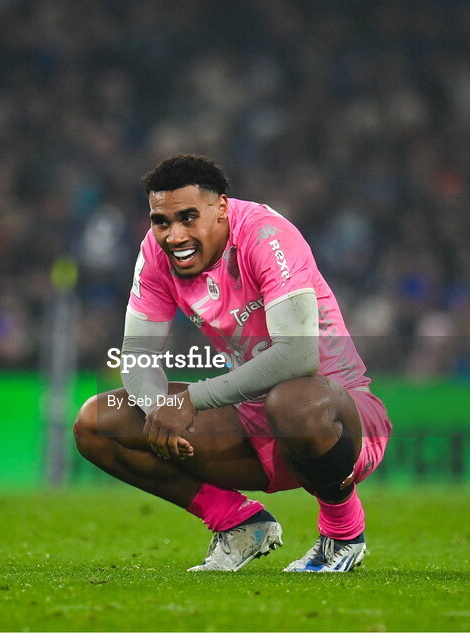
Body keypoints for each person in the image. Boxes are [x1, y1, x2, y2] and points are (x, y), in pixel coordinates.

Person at [73, 155, 393, 572]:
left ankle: (342, 533)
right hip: (250, 421)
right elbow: (137, 357)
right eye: (162, 221)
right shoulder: (154, 253)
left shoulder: (267, 236)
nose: (174, 235)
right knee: (97, 422)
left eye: (188, 217)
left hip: (340, 420)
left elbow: (298, 356)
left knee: (294, 400)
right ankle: (240, 524)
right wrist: (158, 411)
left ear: (221, 207)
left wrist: (190, 399)